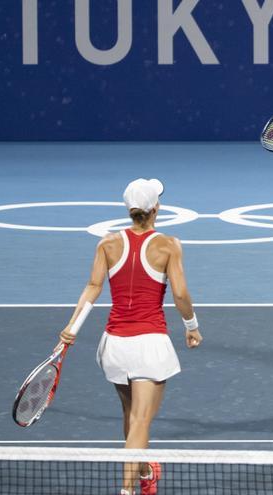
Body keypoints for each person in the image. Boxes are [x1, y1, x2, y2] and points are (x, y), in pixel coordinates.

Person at [58, 178, 203, 494]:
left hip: (115, 347)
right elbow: (179, 294)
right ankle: (127, 490)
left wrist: (72, 327)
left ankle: (144, 472)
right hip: (149, 347)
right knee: (140, 422)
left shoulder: (107, 244)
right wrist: (192, 327)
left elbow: (93, 288)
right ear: (156, 208)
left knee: (130, 417)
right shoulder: (169, 245)